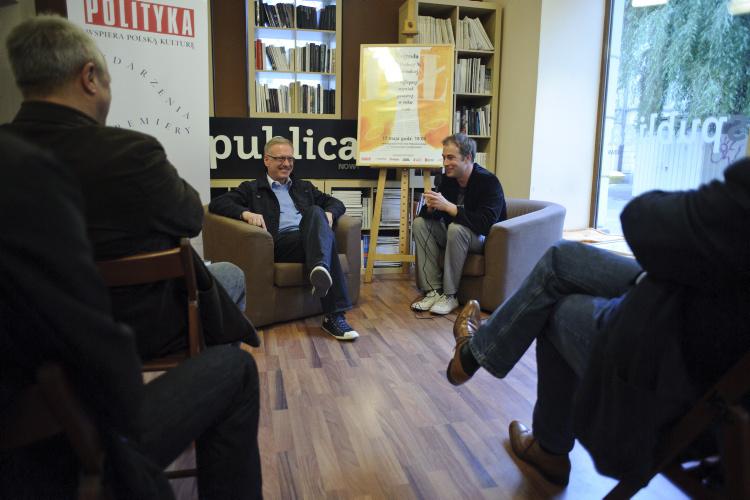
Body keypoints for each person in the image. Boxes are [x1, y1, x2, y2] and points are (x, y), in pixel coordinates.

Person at [446, 158, 750, 486]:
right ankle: (476, 354)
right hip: (698, 305)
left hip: (681, 352)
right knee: (561, 258)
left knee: (553, 305)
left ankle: (547, 444)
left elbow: (642, 219)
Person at [0, 130, 262, 499]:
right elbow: (193, 216)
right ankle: (209, 412)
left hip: (40, 393)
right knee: (234, 357)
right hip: (71, 441)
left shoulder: (17, 162)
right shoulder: (129, 156)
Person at [2, 15, 256, 360]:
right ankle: (211, 373)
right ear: (90, 77)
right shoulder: (132, 154)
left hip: (28, 343)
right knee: (231, 277)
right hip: (137, 331)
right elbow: (192, 218)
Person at [209, 135, 360, 341]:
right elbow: (218, 204)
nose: (286, 164)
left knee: (317, 212)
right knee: (326, 238)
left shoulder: (303, 187)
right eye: (280, 158)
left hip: (310, 238)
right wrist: (245, 214)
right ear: (266, 160)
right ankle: (333, 313)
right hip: (282, 243)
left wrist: (330, 213)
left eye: (290, 159)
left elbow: (336, 203)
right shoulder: (252, 188)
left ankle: (321, 271)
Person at [411, 133, 506, 315]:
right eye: (444, 157)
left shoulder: (489, 182)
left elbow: (486, 223)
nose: (445, 163)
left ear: (467, 158)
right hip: (453, 235)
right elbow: (438, 214)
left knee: (456, 228)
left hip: (482, 239)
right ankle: (433, 291)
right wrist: (430, 209)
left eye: (451, 157)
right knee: (420, 223)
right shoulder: (447, 180)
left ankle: (450, 295)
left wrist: (451, 208)